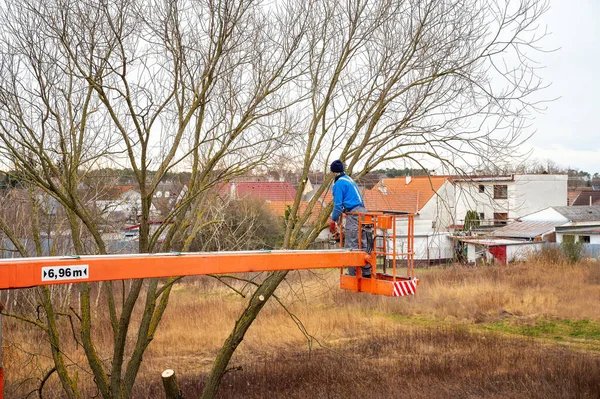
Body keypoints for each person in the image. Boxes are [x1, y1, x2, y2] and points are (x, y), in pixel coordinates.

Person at [330, 159, 372, 278]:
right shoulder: (349, 179)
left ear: (334, 173)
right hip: (363, 212)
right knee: (363, 242)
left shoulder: (339, 184)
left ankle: (353, 275)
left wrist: (333, 220)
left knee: (351, 244)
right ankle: (367, 272)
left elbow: (338, 205)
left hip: (354, 214)